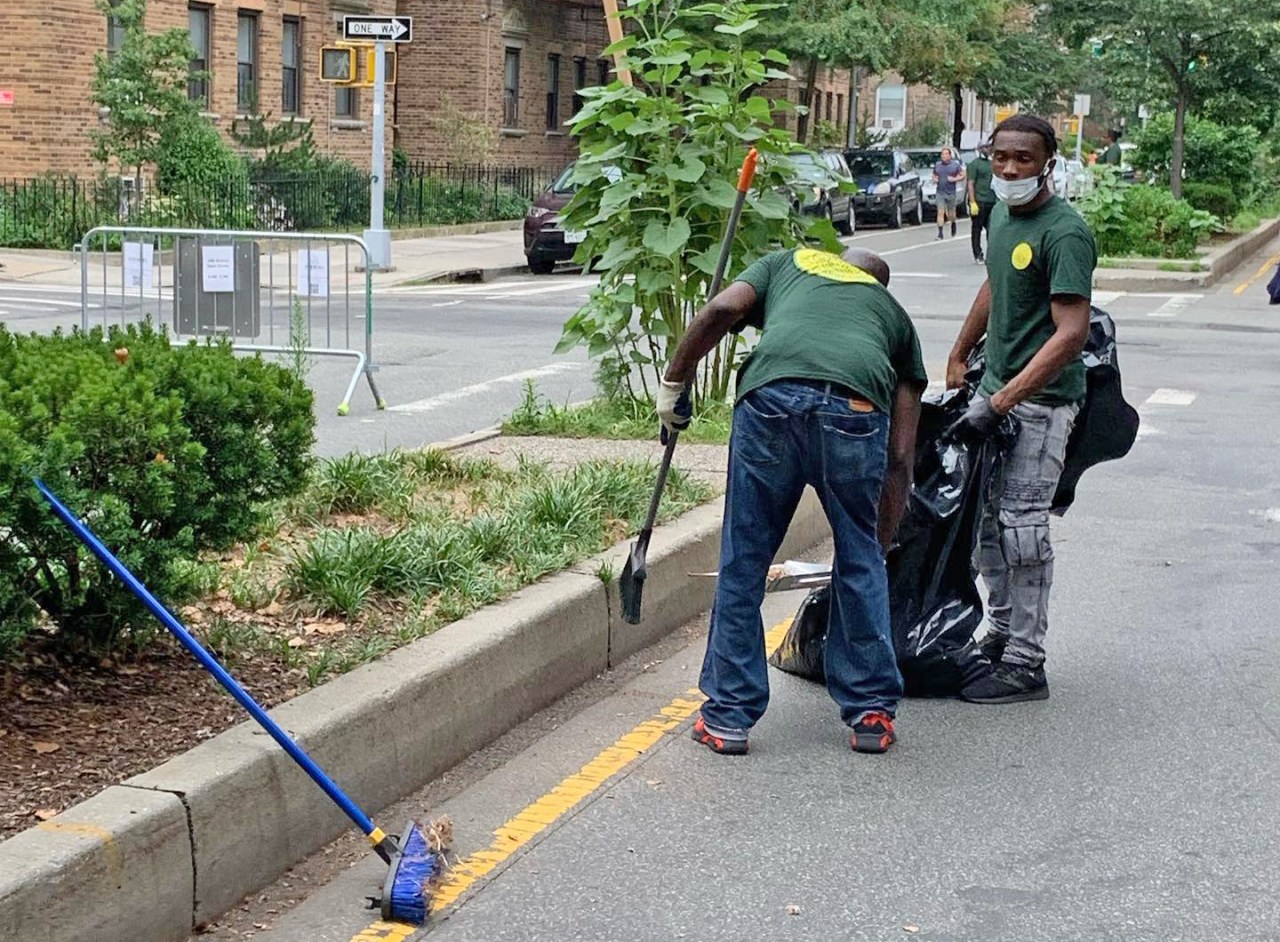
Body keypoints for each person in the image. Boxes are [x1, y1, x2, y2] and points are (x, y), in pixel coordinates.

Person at [657, 246, 927, 755]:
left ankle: (727, 718)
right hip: (855, 409)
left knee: (745, 561)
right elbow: (900, 454)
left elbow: (720, 310)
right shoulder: (893, 318)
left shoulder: (788, 262)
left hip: (770, 404)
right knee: (858, 559)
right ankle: (870, 714)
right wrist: (877, 543)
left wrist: (675, 382)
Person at [944, 113, 1096, 704]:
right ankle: (1002, 630)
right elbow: (993, 285)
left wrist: (1003, 401)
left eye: (1023, 160)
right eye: (1001, 157)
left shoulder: (1065, 233)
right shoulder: (1004, 215)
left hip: (1043, 402)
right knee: (982, 523)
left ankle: (1027, 661)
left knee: (1023, 528)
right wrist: (960, 353)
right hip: (997, 389)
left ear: (1047, 163)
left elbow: (1070, 334)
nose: (1008, 169)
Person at [967, 142, 996, 264]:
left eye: (989, 147)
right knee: (977, 228)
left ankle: (992, 254)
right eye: (984, 147)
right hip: (979, 201)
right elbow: (970, 183)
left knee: (993, 229)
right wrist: (973, 201)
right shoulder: (975, 164)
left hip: (992, 201)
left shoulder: (994, 164)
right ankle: (978, 254)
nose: (987, 149)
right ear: (979, 149)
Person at [933, 147, 966, 240]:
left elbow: (963, 175)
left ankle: (953, 223)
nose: (944, 156)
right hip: (940, 192)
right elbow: (934, 174)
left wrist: (954, 179)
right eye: (942, 154)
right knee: (940, 212)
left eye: (946, 154)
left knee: (951, 213)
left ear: (950, 156)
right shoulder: (938, 165)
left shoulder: (955, 165)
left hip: (951, 192)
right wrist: (935, 179)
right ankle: (940, 233)